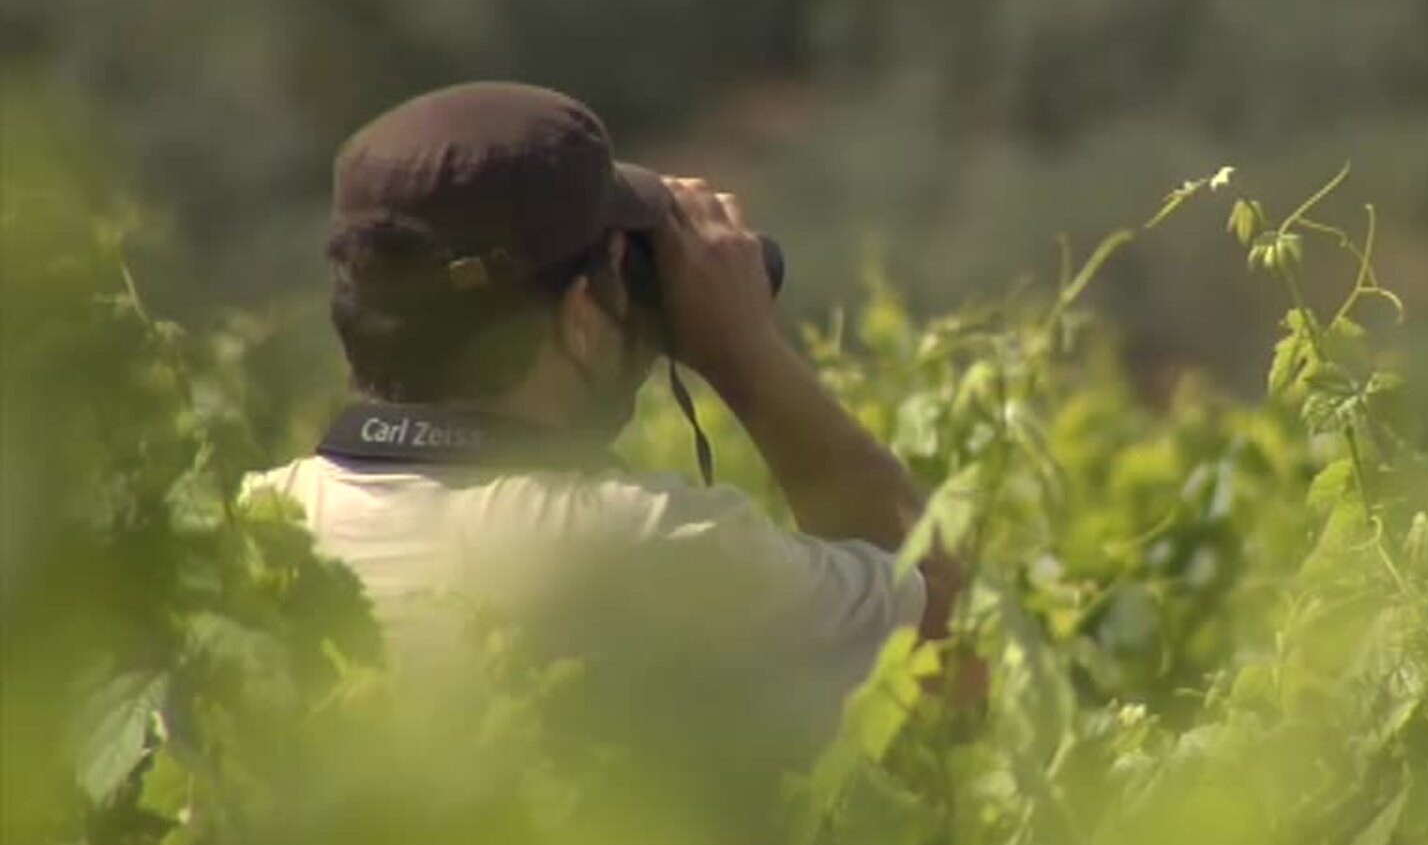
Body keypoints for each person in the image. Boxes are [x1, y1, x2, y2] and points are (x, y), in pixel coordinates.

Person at [244, 81, 970, 733]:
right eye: (623, 270)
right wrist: (746, 354)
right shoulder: (637, 547)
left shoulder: (254, 532)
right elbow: (955, 661)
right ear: (582, 314)